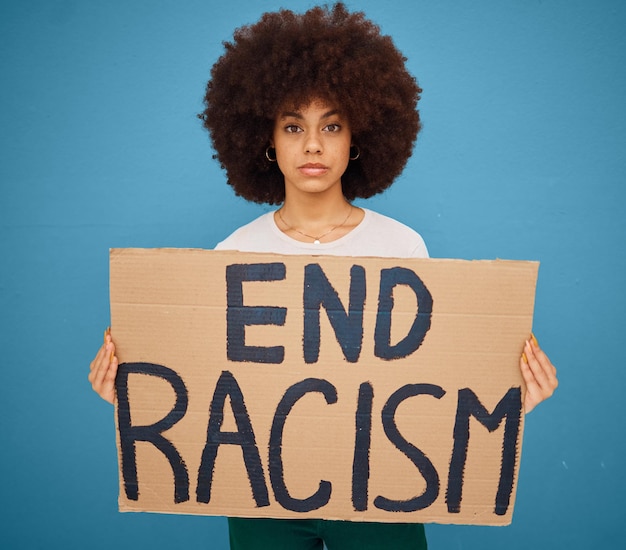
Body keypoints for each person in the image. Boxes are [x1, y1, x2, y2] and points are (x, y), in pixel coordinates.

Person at [89, 3, 558, 549]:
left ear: (358, 136)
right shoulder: (233, 253)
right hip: (260, 495)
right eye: (294, 126)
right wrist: (136, 397)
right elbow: (210, 388)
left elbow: (431, 383)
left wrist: (503, 400)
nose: (313, 144)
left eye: (331, 125)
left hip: (382, 494)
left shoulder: (403, 247)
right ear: (265, 140)